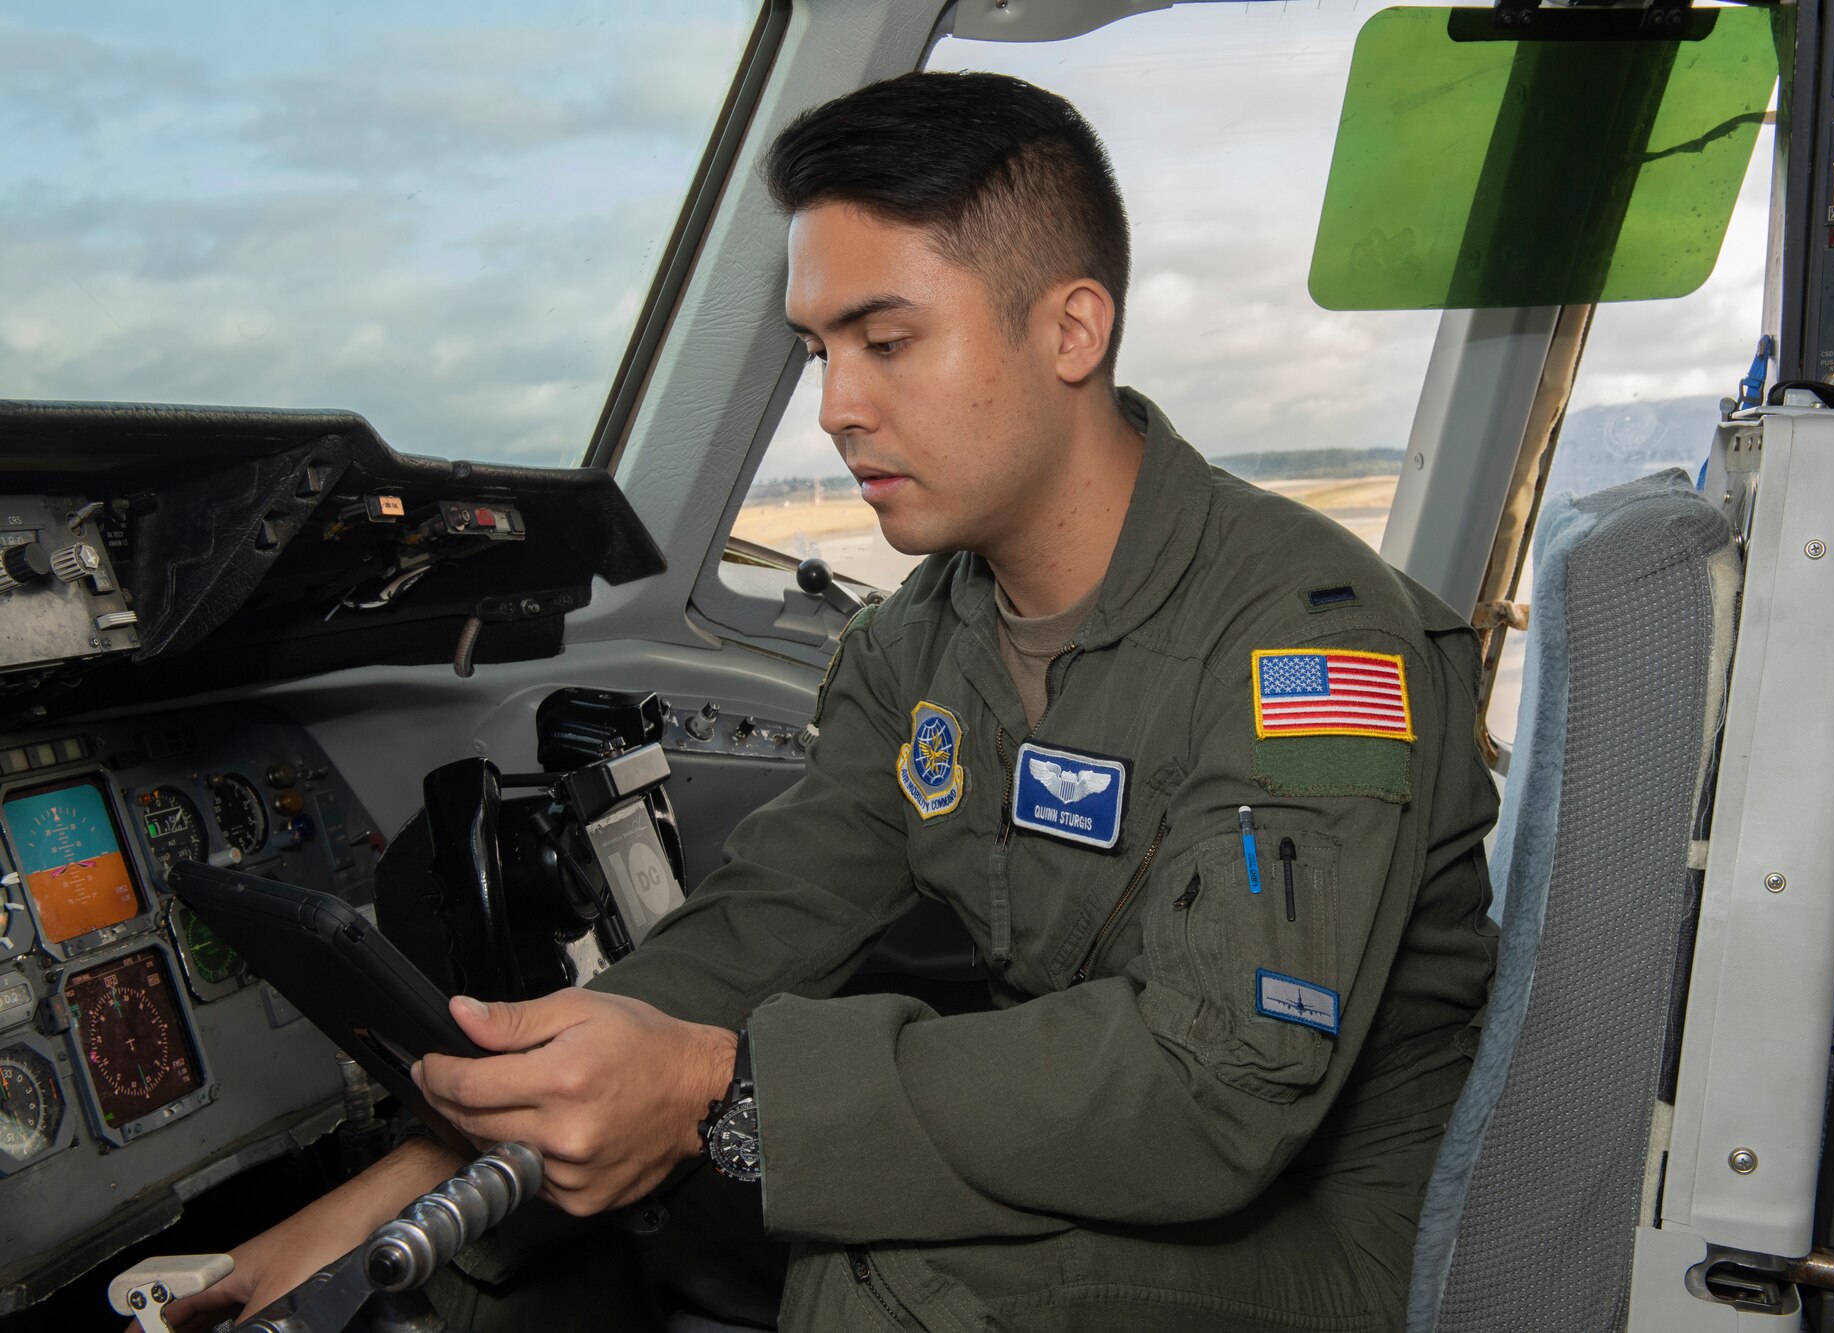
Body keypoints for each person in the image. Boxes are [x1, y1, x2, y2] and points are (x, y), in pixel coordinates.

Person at [159, 71, 1498, 1333]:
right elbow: (760, 931)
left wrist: (713, 1089)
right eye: (817, 351)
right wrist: (383, 1202)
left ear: (1071, 328)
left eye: (888, 339)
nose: (838, 407)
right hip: (1135, 1159)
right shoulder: (920, 642)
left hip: (1337, 1229)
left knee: (881, 1257)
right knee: (599, 1179)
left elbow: (1216, 1091)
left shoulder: (1309, 648)